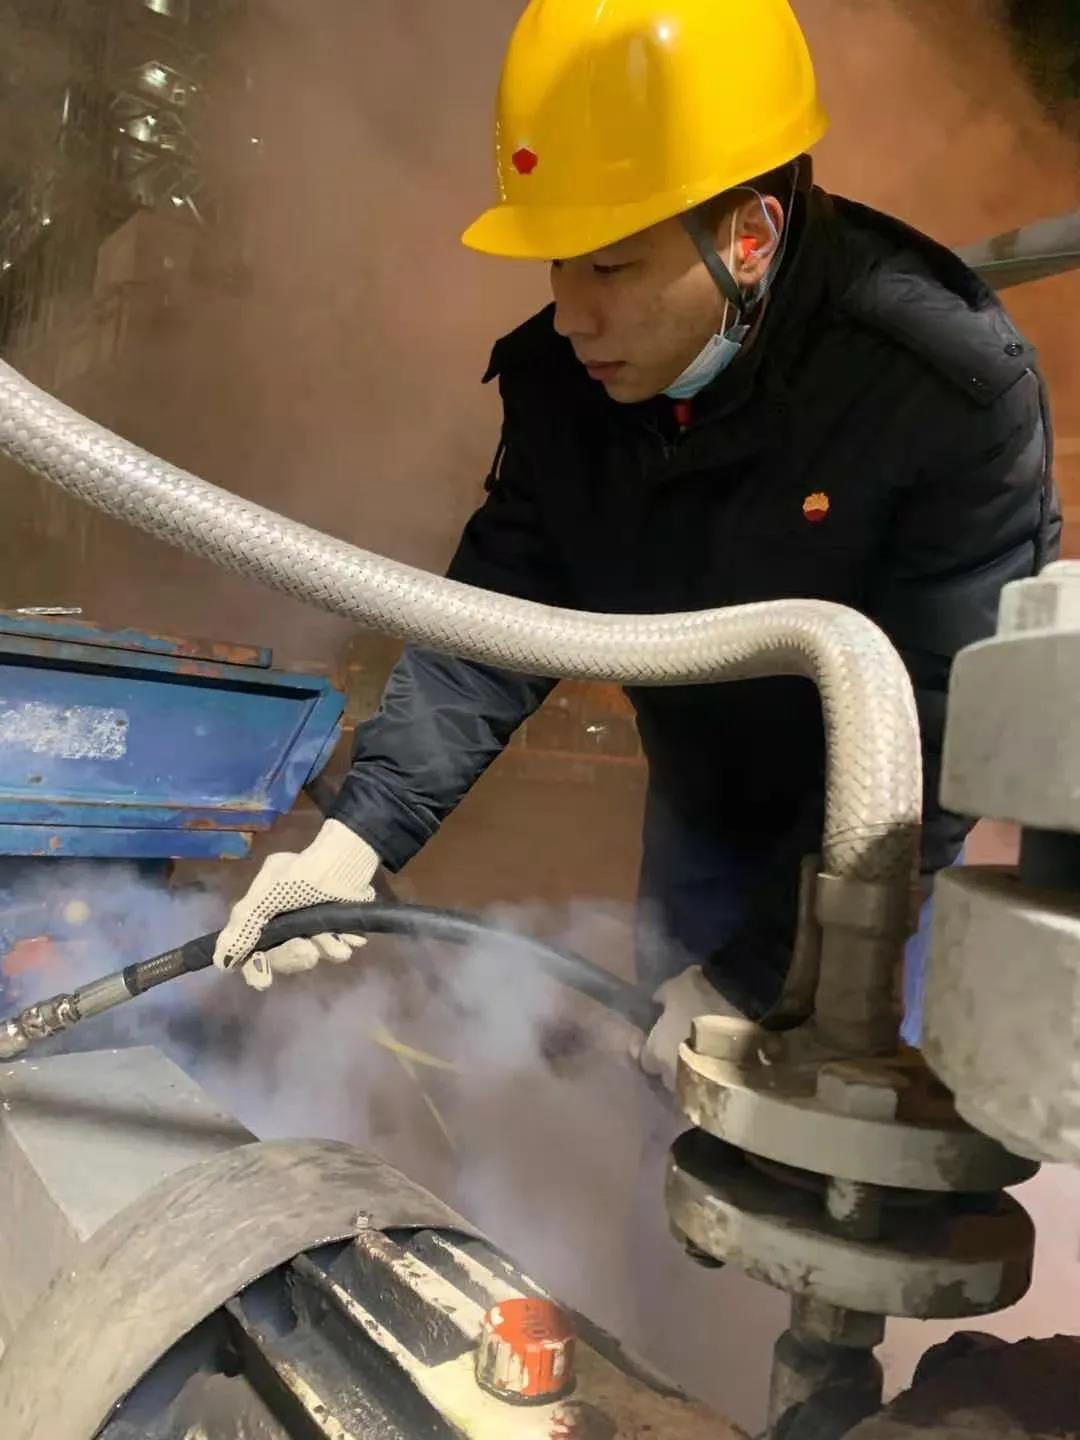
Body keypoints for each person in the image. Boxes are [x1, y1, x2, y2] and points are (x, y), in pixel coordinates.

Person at [213, 0, 1058, 1080]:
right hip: (701, 811)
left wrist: (754, 975)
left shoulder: (940, 390)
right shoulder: (570, 388)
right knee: (679, 1105)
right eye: (556, 264)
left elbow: (941, 720)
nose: (571, 315)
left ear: (749, 239)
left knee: (857, 1111)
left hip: (890, 846)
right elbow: (492, 628)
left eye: (609, 266)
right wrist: (354, 839)